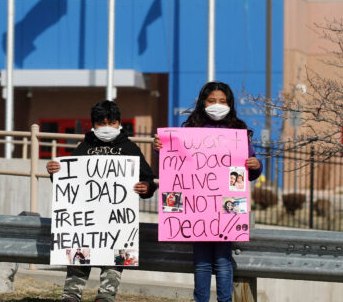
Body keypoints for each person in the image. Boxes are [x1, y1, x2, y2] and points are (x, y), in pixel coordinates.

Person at [153, 81, 262, 302]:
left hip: (227, 208)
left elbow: (249, 170)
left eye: (222, 101)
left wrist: (256, 165)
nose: (217, 105)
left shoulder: (238, 132)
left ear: (230, 104)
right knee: (201, 263)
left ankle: (225, 300)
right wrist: (161, 148)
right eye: (212, 101)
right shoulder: (190, 130)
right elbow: (174, 166)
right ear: (203, 103)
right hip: (197, 211)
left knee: (223, 261)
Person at [46, 99, 157, 302]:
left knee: (114, 261)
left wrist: (146, 187)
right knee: (79, 257)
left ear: (119, 123)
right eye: (101, 123)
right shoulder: (84, 146)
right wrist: (54, 172)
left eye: (111, 123)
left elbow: (148, 179)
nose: (107, 128)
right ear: (93, 124)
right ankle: (71, 295)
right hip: (84, 222)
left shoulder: (130, 148)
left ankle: (106, 295)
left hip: (117, 224)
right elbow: (67, 179)